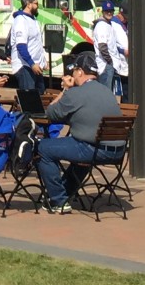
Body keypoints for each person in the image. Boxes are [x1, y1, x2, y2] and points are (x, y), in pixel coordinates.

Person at [36, 51, 123, 214]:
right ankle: (67, 193)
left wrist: (66, 89)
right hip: (117, 152)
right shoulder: (107, 92)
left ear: (80, 71)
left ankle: (58, 201)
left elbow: (50, 113)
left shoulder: (75, 93)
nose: (72, 74)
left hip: (93, 149)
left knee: (43, 148)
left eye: (74, 70)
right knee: (77, 149)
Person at [10, 0, 47, 94]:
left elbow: (37, 43)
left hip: (36, 65)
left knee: (41, 94)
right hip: (25, 66)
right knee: (30, 99)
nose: (37, 6)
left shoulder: (34, 20)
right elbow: (21, 46)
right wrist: (31, 63)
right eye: (36, 3)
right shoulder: (21, 20)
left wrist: (43, 60)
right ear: (28, 4)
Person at [92, 0, 117, 89]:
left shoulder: (108, 24)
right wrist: (109, 61)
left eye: (111, 11)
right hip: (105, 65)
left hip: (108, 65)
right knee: (106, 93)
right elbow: (102, 46)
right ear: (103, 12)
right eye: (107, 11)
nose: (109, 13)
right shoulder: (101, 25)